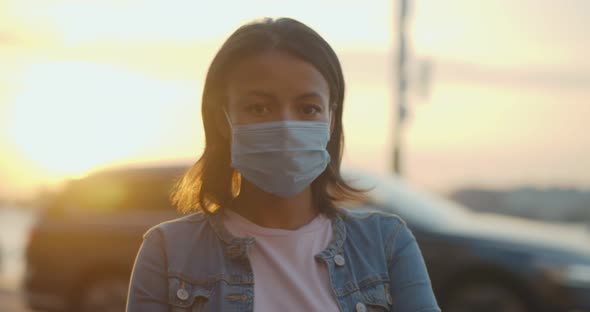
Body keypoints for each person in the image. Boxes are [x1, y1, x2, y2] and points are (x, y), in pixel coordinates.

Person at [126, 17, 440, 312]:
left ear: (331, 119)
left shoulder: (386, 245)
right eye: (259, 108)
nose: (287, 127)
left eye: (308, 109)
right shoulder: (169, 252)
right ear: (223, 119)